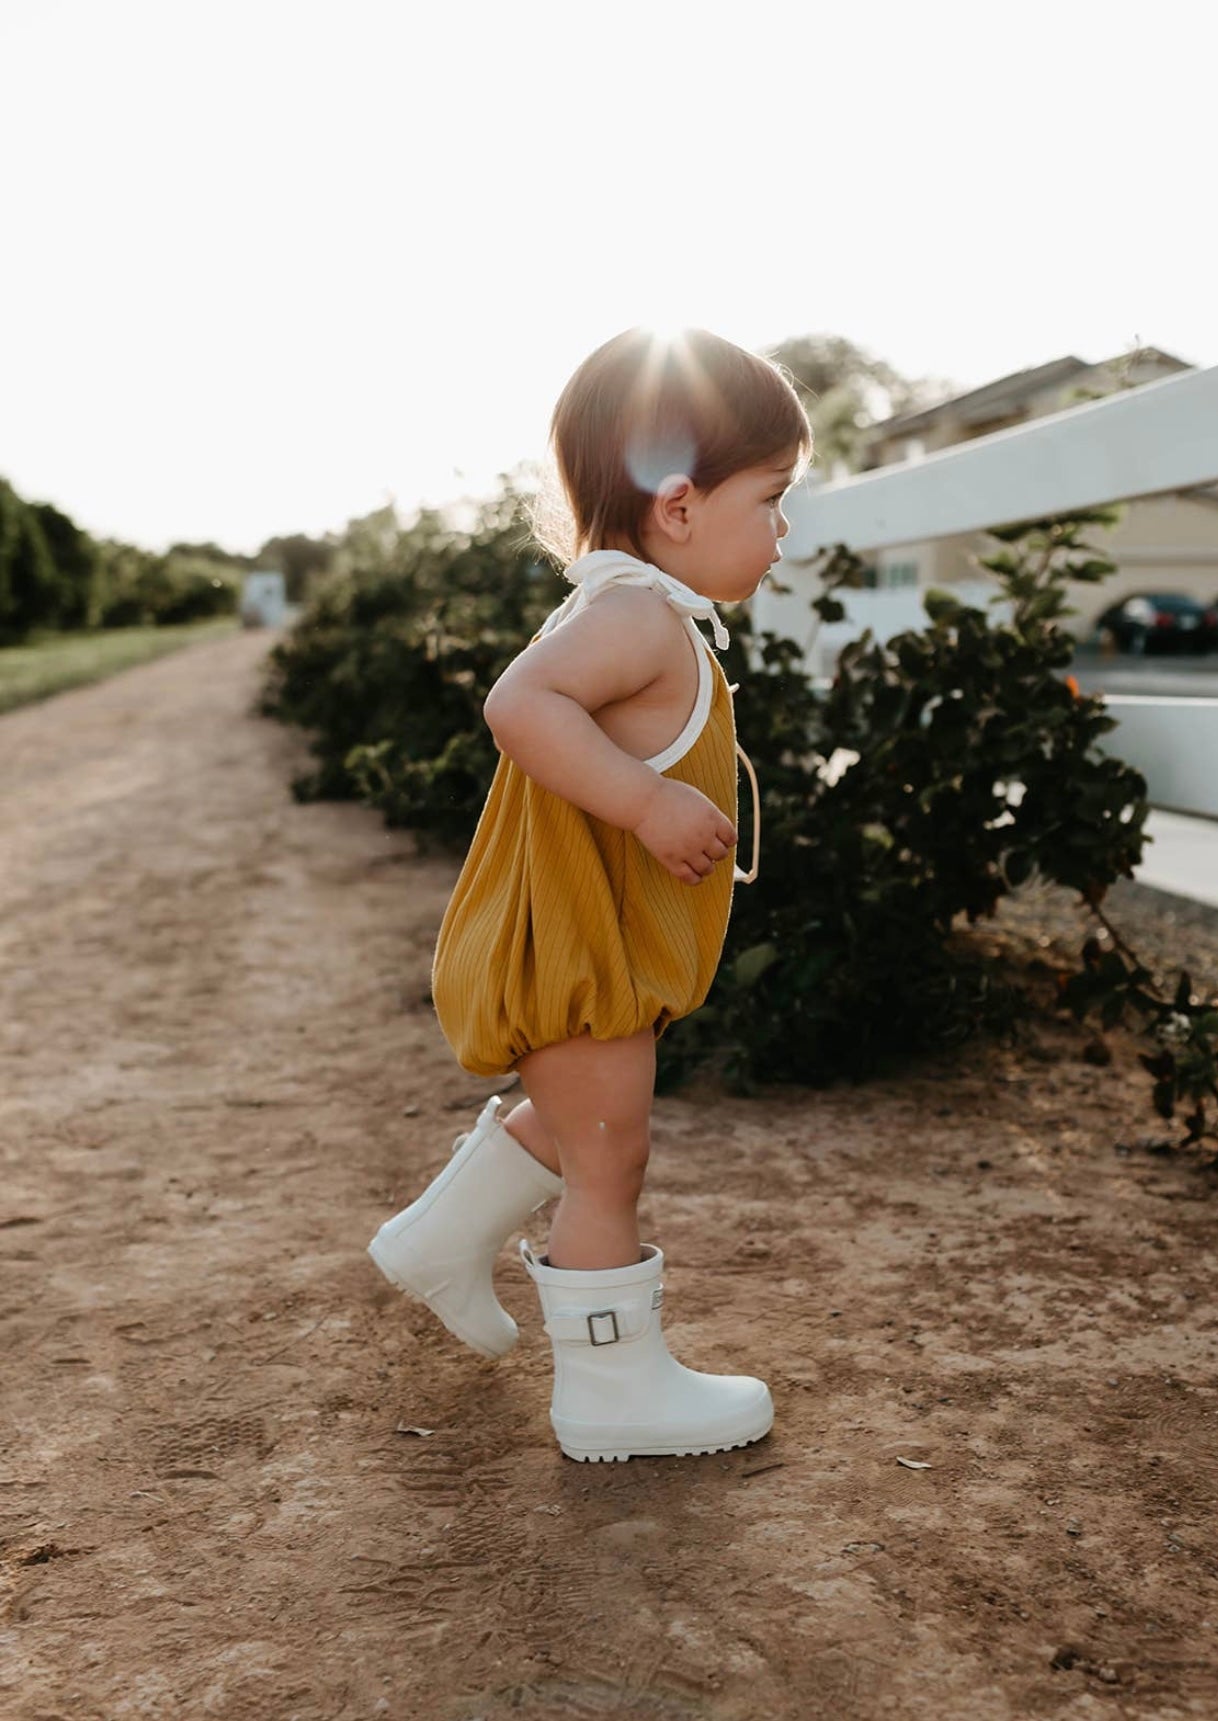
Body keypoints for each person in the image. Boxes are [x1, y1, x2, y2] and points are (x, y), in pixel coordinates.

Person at [368, 327, 811, 1462]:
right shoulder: (635, 618)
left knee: (579, 1125)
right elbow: (520, 705)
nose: (782, 531)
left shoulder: (642, 611)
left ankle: (438, 1238)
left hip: (595, 951)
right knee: (610, 1152)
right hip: (579, 958)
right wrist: (647, 804)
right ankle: (613, 1392)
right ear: (678, 506)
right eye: (770, 499)